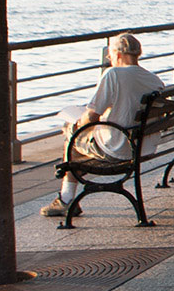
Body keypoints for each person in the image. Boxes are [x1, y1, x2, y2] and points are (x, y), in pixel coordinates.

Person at [43, 32, 166, 217]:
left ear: (117, 54)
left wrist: (77, 123)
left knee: (72, 134)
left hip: (119, 149)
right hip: (145, 147)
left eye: (110, 55)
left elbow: (92, 115)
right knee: (80, 138)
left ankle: (66, 200)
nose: (110, 59)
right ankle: (67, 196)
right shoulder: (154, 79)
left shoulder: (113, 74)